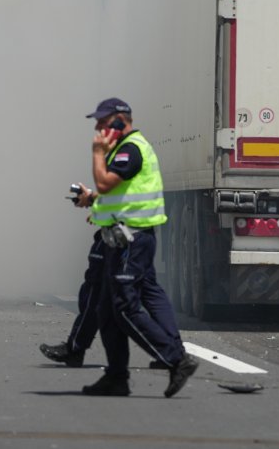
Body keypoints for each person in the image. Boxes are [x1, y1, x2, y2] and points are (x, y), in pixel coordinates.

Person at [79, 98, 198, 397]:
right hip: (122, 239)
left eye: (103, 121)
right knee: (107, 311)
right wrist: (91, 200)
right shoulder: (123, 149)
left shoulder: (130, 149)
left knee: (124, 308)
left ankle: (176, 359)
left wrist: (97, 152)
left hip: (131, 241)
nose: (98, 128)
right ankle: (116, 377)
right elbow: (117, 193)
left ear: (120, 120)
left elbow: (106, 184)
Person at [39, 186, 183, 370]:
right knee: (148, 290)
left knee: (98, 289)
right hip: (137, 229)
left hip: (123, 231)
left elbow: (119, 188)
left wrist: (92, 198)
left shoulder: (123, 165)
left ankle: (76, 348)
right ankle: (174, 350)